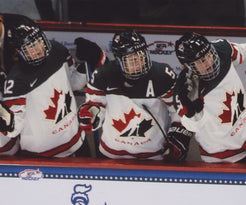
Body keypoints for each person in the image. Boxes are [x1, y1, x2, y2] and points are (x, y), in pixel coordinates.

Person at [173, 32, 246, 163]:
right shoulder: (184, 92)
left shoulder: (221, 50)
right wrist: (194, 110)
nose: (209, 62)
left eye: (208, 55)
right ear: (188, 66)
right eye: (201, 61)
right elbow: (192, 127)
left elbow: (243, 51)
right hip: (222, 158)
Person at [78, 29, 191, 161]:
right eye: (132, 60)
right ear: (119, 60)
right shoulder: (103, 75)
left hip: (153, 156)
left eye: (141, 56)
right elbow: (96, 105)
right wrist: (90, 115)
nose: (139, 63)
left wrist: (177, 137)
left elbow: (178, 110)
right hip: (112, 155)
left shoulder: (162, 75)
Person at [0, 23, 94, 157]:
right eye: (31, 47)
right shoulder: (16, 81)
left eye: (39, 41)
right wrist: (7, 124)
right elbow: (15, 126)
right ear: (19, 51)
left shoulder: (58, 51)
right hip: (43, 155)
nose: (38, 48)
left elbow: (72, 83)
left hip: (77, 141)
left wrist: (86, 67)